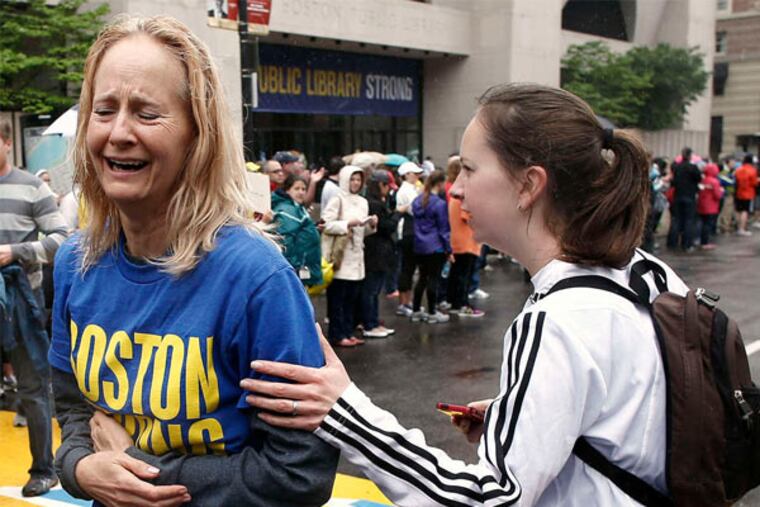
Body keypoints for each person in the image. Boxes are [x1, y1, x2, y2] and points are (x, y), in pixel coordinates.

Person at [240, 83, 691, 506]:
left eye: (470, 170)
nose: (455, 187)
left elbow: (488, 499)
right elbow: (634, 421)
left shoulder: (557, 320)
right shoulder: (646, 272)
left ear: (529, 185)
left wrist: (344, 412)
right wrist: (519, 415)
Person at [48, 16, 338, 507]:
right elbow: (75, 407)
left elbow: (299, 473)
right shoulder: (74, 262)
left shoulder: (256, 279)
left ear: (196, 134)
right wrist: (79, 467)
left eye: (146, 113)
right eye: (104, 110)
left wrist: (150, 471)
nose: (119, 132)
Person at [0, 119, 69, 497]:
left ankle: (44, 469)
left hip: (21, 305)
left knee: (32, 388)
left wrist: (17, 251)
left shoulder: (32, 187)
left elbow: (62, 238)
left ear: (7, 142)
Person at [321, 165, 377, 347]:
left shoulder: (363, 201)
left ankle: (348, 331)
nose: (355, 183)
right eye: (352, 179)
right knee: (338, 298)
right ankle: (337, 334)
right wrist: (346, 224)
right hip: (340, 256)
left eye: (359, 179)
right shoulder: (337, 199)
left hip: (357, 255)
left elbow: (364, 232)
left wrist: (371, 225)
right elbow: (324, 225)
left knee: (352, 298)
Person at [360, 170, 400, 338]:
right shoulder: (374, 204)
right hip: (376, 252)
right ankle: (370, 323)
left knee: (373, 289)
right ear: (379, 185)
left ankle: (372, 321)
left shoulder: (375, 202)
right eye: (386, 186)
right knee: (371, 290)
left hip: (377, 251)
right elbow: (386, 226)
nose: (388, 190)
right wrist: (397, 213)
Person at [411, 169, 451, 323]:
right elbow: (443, 229)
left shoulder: (417, 201)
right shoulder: (440, 204)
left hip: (419, 245)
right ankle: (432, 312)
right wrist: (448, 249)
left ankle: (416, 310)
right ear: (440, 184)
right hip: (435, 246)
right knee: (434, 278)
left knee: (422, 277)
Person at [446, 156, 485, 317]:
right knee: (463, 275)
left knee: (456, 274)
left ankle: (455, 303)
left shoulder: (454, 195)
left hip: (457, 241)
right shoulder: (462, 196)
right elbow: (467, 216)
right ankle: (462, 304)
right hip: (466, 242)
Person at [271, 174, 323, 287]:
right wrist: (296, 267)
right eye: (297, 188)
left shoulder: (296, 207)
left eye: (303, 189)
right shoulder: (287, 210)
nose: (301, 192)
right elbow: (286, 242)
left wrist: (313, 229)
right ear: (287, 190)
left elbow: (299, 232)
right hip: (295, 272)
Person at [394, 161, 423, 317]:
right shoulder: (405, 190)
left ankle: (408, 301)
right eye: (414, 173)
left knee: (409, 268)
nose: (417, 176)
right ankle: (403, 303)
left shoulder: (412, 189)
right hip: (407, 231)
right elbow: (414, 209)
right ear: (406, 175)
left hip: (411, 230)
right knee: (406, 267)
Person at [666, 147, 701, 251]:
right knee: (689, 221)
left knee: (676, 220)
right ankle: (686, 244)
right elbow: (698, 179)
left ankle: (672, 243)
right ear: (690, 156)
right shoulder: (693, 168)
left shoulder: (676, 167)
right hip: (690, 196)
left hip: (678, 195)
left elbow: (673, 181)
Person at [696, 162, 723, 249]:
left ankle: (699, 240)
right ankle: (705, 242)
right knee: (707, 224)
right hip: (711, 206)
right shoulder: (715, 181)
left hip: (701, 205)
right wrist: (721, 191)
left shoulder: (702, 180)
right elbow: (718, 195)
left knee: (701, 223)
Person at [734, 154, 758, 236]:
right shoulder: (752, 170)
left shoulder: (739, 169)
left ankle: (737, 227)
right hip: (748, 193)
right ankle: (742, 228)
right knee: (745, 211)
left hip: (738, 192)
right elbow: (754, 182)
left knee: (738, 210)